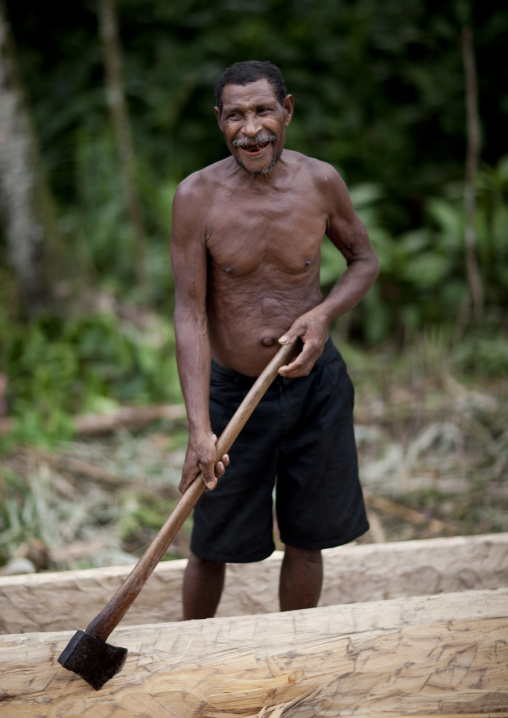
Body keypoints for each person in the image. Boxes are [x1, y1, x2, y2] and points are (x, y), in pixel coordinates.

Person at [170, 60, 379, 619]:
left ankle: (295, 656)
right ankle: (190, 657)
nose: (251, 128)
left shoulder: (320, 183)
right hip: (235, 393)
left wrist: (325, 313)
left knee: (307, 538)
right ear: (219, 122)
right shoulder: (196, 197)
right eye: (235, 115)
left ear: (287, 111)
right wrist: (199, 429)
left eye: (263, 110)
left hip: (316, 388)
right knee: (211, 543)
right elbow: (189, 314)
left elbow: (363, 260)